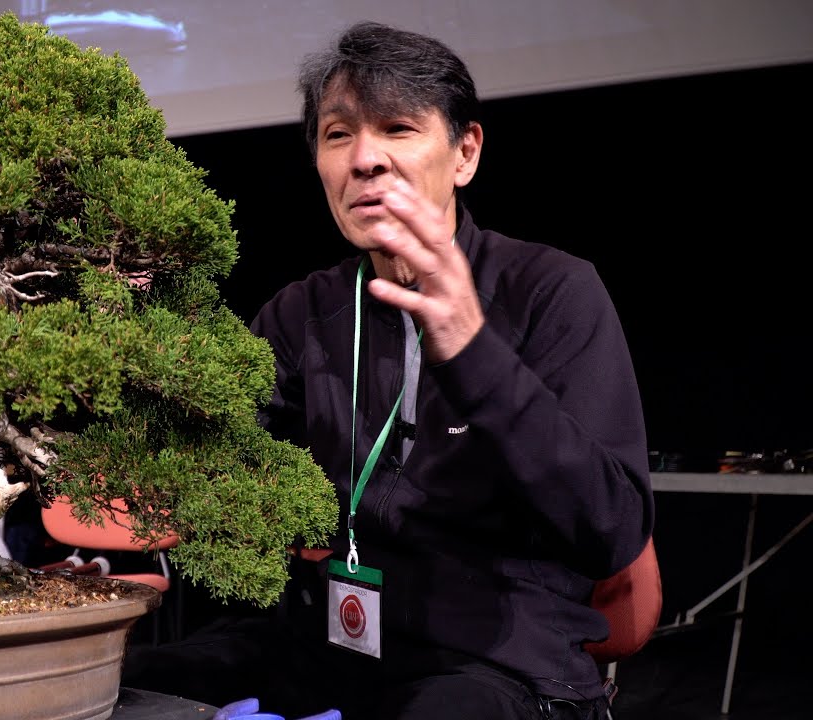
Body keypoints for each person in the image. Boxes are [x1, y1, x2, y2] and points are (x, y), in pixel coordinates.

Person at [231, 20, 655, 720]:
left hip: (502, 666)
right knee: (128, 682)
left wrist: (471, 347)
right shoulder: (304, 310)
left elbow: (610, 529)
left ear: (465, 153)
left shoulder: (552, 290)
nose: (364, 158)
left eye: (397, 128)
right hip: (337, 645)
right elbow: (208, 446)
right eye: (338, 135)